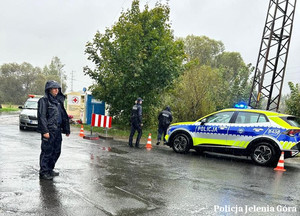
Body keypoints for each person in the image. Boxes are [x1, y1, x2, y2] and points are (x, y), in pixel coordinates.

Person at [37, 80, 70, 180]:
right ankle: (44, 172)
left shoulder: (58, 102)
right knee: (47, 151)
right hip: (49, 130)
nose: (56, 90)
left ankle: (50, 169)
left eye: (57, 88)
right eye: (54, 88)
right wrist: (45, 131)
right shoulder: (44, 101)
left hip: (58, 130)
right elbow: (41, 116)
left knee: (57, 151)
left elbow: (63, 116)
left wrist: (66, 129)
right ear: (49, 90)